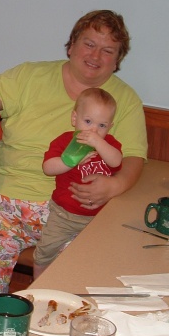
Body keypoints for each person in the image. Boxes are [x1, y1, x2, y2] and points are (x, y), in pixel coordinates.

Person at [0, 10, 148, 307]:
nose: (95, 55)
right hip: (6, 202)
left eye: (108, 50)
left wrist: (115, 186)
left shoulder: (124, 100)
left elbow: (136, 157)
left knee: (81, 268)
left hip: (75, 212)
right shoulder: (31, 75)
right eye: (88, 44)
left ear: (117, 60)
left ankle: (50, 334)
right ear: (71, 45)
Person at [33, 87, 123, 278]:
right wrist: (68, 162)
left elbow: (116, 161)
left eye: (102, 126)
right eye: (88, 121)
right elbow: (48, 168)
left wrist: (99, 143)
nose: (93, 131)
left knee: (97, 258)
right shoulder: (65, 141)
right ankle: (38, 284)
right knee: (45, 251)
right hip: (63, 215)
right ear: (75, 119)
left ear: (110, 127)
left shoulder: (109, 145)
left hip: (98, 218)